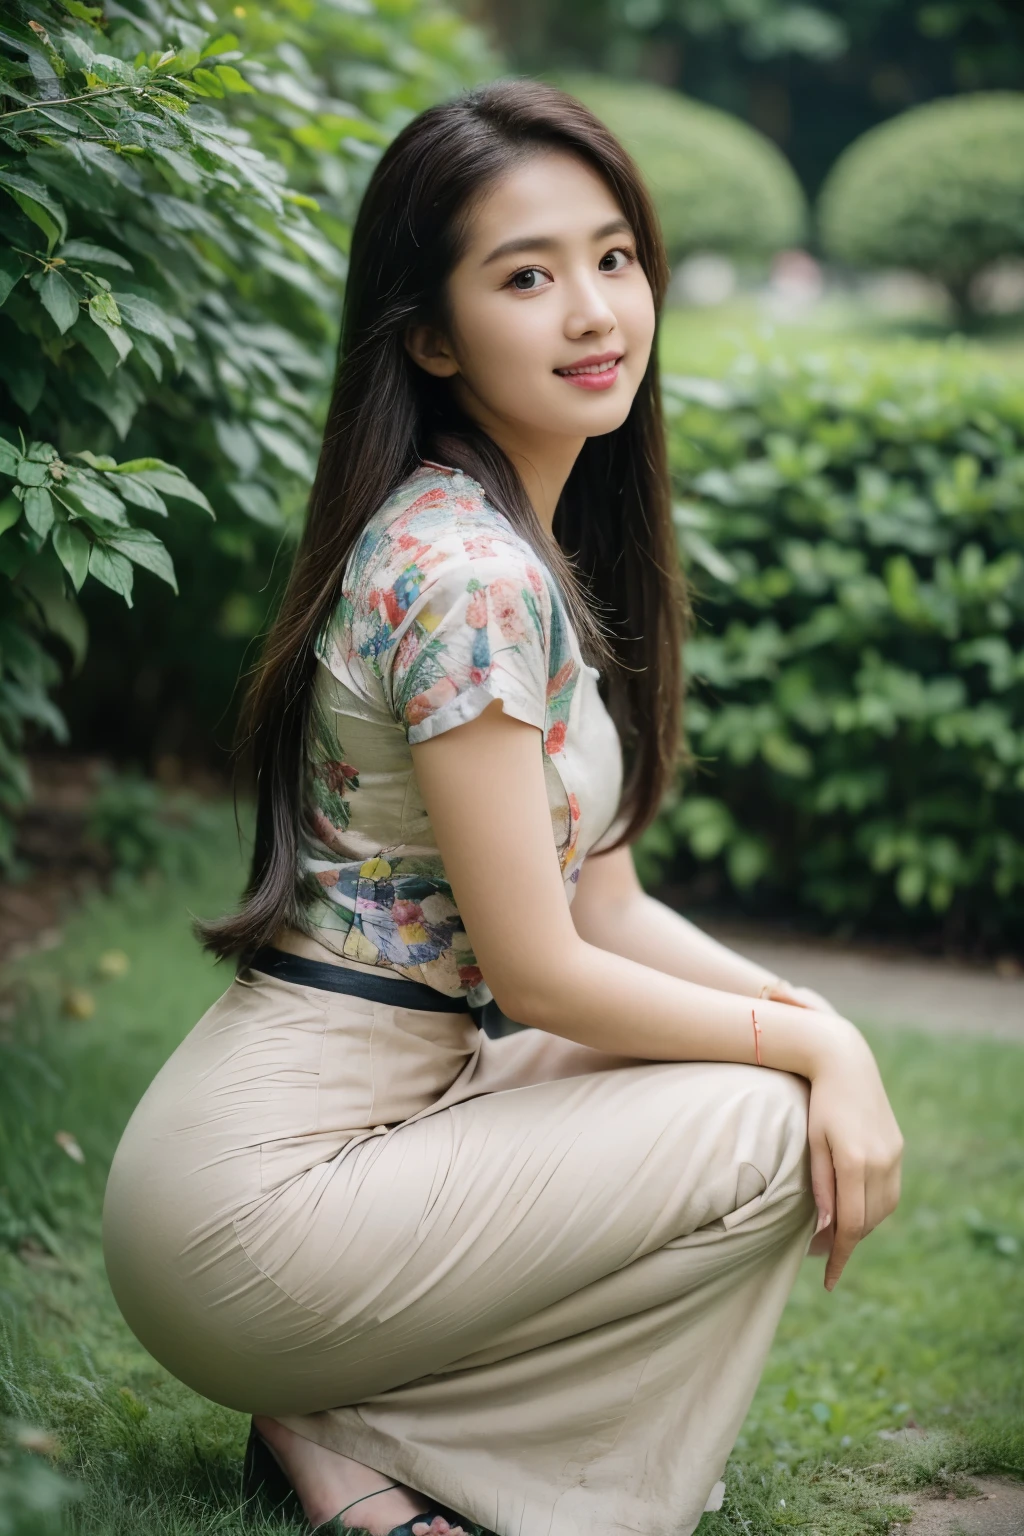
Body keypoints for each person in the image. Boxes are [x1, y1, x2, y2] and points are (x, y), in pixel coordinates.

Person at [101, 78, 903, 1536]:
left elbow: (608, 903)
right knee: (772, 1126)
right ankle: (365, 1442)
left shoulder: (503, 541)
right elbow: (539, 975)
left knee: (776, 1086)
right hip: (264, 1204)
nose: (596, 310)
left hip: (370, 1127)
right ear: (430, 333)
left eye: (613, 256)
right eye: (526, 277)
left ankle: (334, 1437)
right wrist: (815, 1043)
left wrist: (805, 1019)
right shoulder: (469, 579)